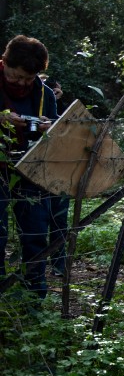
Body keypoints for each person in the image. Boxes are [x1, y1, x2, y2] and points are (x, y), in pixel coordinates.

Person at [0, 35, 59, 298]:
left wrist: (50, 128)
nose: (22, 83)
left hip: (33, 171)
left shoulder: (44, 93)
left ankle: (35, 297)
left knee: (36, 234)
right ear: (4, 63)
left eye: (28, 78)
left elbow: (61, 130)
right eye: (16, 76)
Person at [40, 75, 69, 277]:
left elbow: (66, 129)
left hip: (60, 166)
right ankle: (36, 270)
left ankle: (59, 264)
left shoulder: (52, 98)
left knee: (59, 218)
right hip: (35, 166)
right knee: (38, 221)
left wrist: (57, 100)